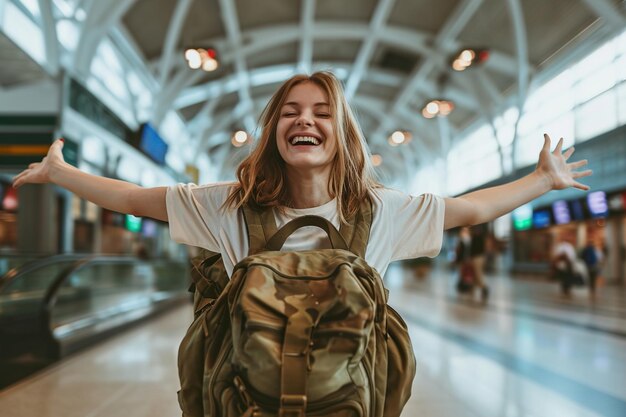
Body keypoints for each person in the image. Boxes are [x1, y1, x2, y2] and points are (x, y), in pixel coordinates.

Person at [12, 71, 591, 405]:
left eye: (320, 111)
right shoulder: (230, 204)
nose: (303, 120)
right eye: (289, 112)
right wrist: (61, 173)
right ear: (273, 132)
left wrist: (541, 180)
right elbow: (139, 199)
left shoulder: (380, 211)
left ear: (341, 133)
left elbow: (467, 210)